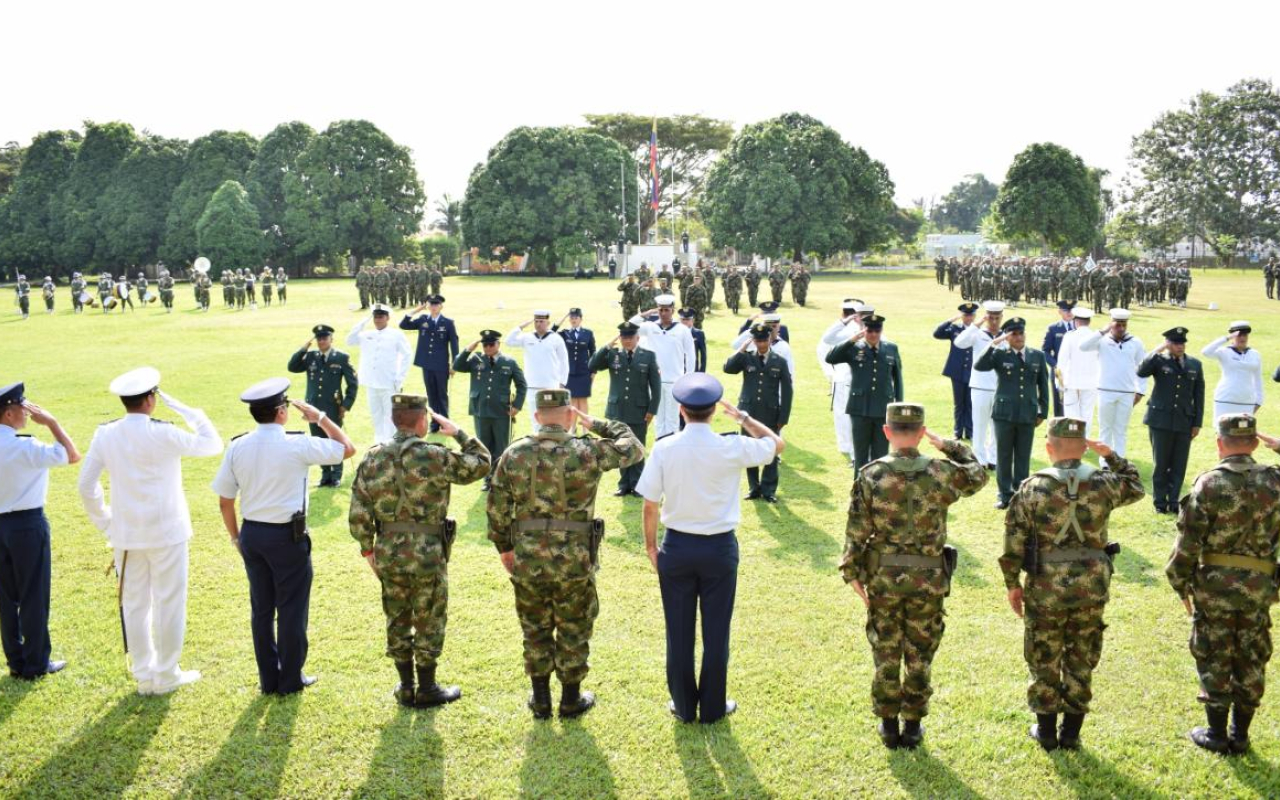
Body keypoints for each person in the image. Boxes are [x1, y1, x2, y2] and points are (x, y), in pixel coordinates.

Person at [486, 389, 643, 719]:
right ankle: (570, 699)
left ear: (536, 417)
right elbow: (634, 446)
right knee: (574, 625)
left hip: (528, 557)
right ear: (570, 415)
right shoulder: (587, 451)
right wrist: (597, 422)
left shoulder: (514, 454)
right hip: (575, 559)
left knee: (534, 626)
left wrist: (505, 549)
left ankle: (541, 698)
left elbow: (497, 510)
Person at [637, 373, 784, 723]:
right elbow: (776, 444)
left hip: (677, 546)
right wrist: (743, 418)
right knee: (717, 633)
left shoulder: (666, 447)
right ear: (713, 411)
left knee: (679, 632)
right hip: (719, 549)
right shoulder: (731, 445)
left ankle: (685, 707)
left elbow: (650, 504)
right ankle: (713, 708)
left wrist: (650, 547)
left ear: (681, 409)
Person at [842, 403, 988, 749]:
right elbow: (978, 473)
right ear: (922, 433)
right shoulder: (941, 471)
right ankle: (913, 725)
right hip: (928, 580)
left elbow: (856, 533)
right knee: (920, 653)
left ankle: (889, 725)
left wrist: (852, 574)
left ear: (887, 431)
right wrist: (950, 446)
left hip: (884, 578)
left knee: (886, 650)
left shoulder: (871, 474)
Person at [999, 418, 1143, 750]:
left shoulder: (1032, 487)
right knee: (1082, 655)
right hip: (1092, 585)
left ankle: (1046, 731)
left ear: (1049, 448)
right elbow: (1135, 485)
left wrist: (1012, 583)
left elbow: (1013, 542)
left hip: (1045, 586)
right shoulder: (1105, 483)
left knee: (1043, 654)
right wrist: (1112, 456)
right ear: (1084, 447)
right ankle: (1072, 734)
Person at [77, 367, 223, 695]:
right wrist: (190, 411)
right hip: (167, 532)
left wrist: (106, 521)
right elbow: (212, 444)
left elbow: (87, 486)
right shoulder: (163, 432)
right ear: (150, 400)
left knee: (135, 604)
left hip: (126, 535)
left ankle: (144, 675)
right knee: (169, 601)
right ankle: (166, 674)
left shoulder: (106, 433)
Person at [212, 378, 354, 695]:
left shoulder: (237, 445)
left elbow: (225, 500)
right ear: (281, 412)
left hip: (252, 534)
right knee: (291, 609)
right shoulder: (297, 444)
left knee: (262, 611)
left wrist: (237, 538)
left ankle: (269, 679)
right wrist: (320, 418)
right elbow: (348, 449)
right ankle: (290, 679)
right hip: (287, 538)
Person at [349, 394, 489, 707]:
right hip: (428, 552)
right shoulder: (435, 455)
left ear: (393, 420)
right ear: (423, 421)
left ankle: (406, 685)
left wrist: (367, 550)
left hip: (388, 551)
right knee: (429, 616)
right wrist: (460, 434)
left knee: (397, 616)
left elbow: (359, 511)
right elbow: (481, 464)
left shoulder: (372, 458)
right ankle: (427, 687)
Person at [1167, 413, 1280, 755]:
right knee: (1251, 652)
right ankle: (1240, 734)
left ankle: (1217, 734)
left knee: (1214, 652)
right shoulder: (1275, 481)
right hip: (1260, 585)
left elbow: (1187, 544)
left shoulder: (1209, 483)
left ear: (1220, 443)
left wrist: (1180, 582)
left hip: (1214, 586)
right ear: (1257, 443)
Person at [0, 383, 79, 680]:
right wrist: (52, 423)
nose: (27, 411)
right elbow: (72, 455)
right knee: (34, 594)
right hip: (26, 525)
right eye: (22, 407)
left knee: (7, 598)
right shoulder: (26, 446)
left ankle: (16, 662)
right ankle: (36, 663)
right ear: (9, 413)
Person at [975, 317, 1050, 509]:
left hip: (1028, 413)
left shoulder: (1037, 355)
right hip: (1004, 414)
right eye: (1014, 334)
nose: (1018, 337)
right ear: (1007, 337)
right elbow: (979, 365)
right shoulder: (1000, 354)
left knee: (1023, 456)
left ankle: (1021, 493)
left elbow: (1043, 385)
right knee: (1004, 455)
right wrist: (994, 344)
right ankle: (1005, 495)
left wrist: (1043, 412)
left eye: (1021, 333)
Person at [588, 322, 662, 497]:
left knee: (637, 446)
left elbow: (656, 388)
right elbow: (592, 365)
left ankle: (637, 485)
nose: (627, 341)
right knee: (620, 447)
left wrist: (652, 410)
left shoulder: (648, 356)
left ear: (637, 338)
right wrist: (606, 346)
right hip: (618, 410)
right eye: (623, 337)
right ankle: (623, 485)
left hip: (639, 410)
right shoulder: (613, 354)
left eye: (630, 337)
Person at [1139, 327, 1205, 514]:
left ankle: (1174, 501)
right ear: (1168, 344)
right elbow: (1141, 371)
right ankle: (1160, 502)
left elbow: (1198, 396)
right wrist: (1158, 349)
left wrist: (1197, 423)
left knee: (1179, 463)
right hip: (1160, 420)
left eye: (1182, 343)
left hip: (1184, 421)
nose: (1180, 346)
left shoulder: (1195, 364)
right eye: (1176, 343)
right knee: (1161, 463)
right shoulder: (1159, 361)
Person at [826, 315, 904, 473]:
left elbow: (898, 379)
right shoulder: (854, 348)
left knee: (881, 454)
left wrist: (898, 406)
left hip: (883, 409)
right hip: (859, 409)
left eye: (877, 330)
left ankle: (879, 489)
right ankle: (859, 489)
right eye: (870, 330)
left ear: (881, 331)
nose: (873, 334)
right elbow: (830, 358)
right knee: (860, 454)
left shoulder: (891, 348)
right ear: (864, 330)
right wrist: (851, 340)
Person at [725, 324, 793, 502]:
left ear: (769, 339)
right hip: (749, 412)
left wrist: (783, 417)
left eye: (764, 340)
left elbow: (787, 391)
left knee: (771, 452)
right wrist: (741, 350)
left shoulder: (779, 361)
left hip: (771, 413)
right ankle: (754, 487)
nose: (761, 344)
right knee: (749, 450)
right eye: (758, 340)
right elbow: (728, 368)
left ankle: (769, 489)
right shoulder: (746, 358)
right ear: (753, 341)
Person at [453, 329, 525, 490]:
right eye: (485, 345)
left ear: (498, 344)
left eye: (491, 344)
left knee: (501, 446)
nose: (488, 348)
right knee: (484, 446)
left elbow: (522, 385)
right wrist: (468, 350)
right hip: (481, 410)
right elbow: (457, 365)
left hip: (501, 411)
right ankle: (488, 479)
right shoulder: (475, 359)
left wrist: (517, 406)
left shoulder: (509, 362)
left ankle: (500, 479)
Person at [287, 325, 358, 487]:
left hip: (333, 406)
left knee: (335, 440)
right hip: (313, 406)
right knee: (318, 440)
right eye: (318, 339)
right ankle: (325, 475)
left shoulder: (341, 357)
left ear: (331, 339)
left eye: (324, 338)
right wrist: (304, 348)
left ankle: (336, 475)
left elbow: (352, 384)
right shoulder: (311, 356)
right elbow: (292, 367)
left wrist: (346, 405)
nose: (321, 341)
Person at [1078, 309, 1147, 457]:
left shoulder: (1135, 342)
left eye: (1124, 324)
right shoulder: (1102, 340)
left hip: (1127, 392)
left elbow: (1142, 368)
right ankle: (1105, 464)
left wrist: (1140, 390)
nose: (1121, 328)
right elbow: (1082, 347)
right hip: (1105, 391)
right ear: (1111, 324)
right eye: (1117, 324)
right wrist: (1101, 332)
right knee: (1105, 429)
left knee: (1120, 430)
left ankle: (1119, 462)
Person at [628, 295, 694, 439]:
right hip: (655, 380)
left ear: (673, 310)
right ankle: (660, 448)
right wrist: (644, 314)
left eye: (667, 310)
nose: (663, 313)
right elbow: (630, 326)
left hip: (675, 380)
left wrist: (688, 378)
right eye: (660, 310)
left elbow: (690, 355)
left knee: (672, 418)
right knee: (658, 418)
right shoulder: (650, 327)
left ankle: (672, 451)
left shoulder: (682, 330)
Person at [346, 304, 413, 444]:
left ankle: (390, 444)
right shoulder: (366, 334)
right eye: (375, 317)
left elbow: (407, 355)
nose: (378, 320)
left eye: (381, 317)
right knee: (376, 415)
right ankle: (378, 443)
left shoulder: (396, 335)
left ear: (387, 318)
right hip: (371, 381)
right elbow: (350, 340)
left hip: (389, 382)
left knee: (390, 416)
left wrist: (400, 378)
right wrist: (364, 320)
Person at [954, 301, 1004, 469]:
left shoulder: (1005, 335)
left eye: (997, 318)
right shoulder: (977, 334)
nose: (994, 321)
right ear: (986, 317)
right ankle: (980, 458)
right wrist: (976, 325)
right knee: (980, 425)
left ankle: (993, 459)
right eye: (991, 318)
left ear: (1002, 317)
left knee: (997, 426)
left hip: (999, 387)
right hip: (980, 386)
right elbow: (959, 342)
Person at [399, 296, 459, 432]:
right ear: (428, 306)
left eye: (436, 304)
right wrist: (416, 310)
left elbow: (454, 344)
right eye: (431, 304)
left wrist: (454, 364)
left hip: (441, 364)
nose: (433, 307)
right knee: (431, 395)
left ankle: (444, 423)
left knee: (442, 395)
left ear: (441, 306)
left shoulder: (448, 323)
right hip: (426, 364)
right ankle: (434, 423)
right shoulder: (423, 320)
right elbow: (403, 325)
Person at [505, 310, 570, 434]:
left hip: (550, 386)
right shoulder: (527, 337)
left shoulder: (556, 339)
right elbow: (509, 341)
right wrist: (521, 326)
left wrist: (562, 383)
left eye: (541, 321)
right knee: (535, 419)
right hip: (532, 386)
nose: (538, 324)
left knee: (552, 420)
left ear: (548, 322)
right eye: (536, 321)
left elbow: (564, 362)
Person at [820, 300, 861, 462]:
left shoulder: (876, 332)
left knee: (853, 417)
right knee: (843, 416)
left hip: (856, 382)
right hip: (842, 379)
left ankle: (852, 450)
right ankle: (847, 448)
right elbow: (826, 343)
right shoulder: (845, 332)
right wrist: (830, 375)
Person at [1201, 321, 1264, 421]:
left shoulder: (1255, 354)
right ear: (1233, 336)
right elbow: (1205, 352)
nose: (1242, 338)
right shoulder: (1224, 351)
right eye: (1239, 335)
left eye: (1245, 335)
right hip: (1225, 399)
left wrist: (1259, 400)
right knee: (1223, 433)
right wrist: (1226, 338)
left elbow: (1258, 378)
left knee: (1244, 433)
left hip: (1247, 400)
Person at [933, 302, 978, 441]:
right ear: (962, 316)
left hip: (973, 371)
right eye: (965, 315)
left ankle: (970, 432)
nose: (968, 318)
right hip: (957, 370)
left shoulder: (979, 330)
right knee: (959, 403)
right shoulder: (954, 329)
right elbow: (937, 333)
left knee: (970, 403)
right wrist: (951, 320)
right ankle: (958, 432)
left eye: (970, 315)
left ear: (974, 316)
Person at [1057, 307, 1100, 438]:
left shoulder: (1070, 336)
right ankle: (1084, 441)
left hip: (1071, 382)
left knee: (1072, 414)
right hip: (1091, 382)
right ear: (1089, 321)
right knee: (1087, 413)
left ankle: (1073, 439)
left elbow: (1061, 362)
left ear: (1076, 321)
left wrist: (1059, 383)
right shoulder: (1096, 337)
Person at [554, 308, 596, 426]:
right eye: (571, 318)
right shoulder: (564, 333)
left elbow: (593, 352)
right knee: (571, 401)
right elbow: (551, 331)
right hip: (569, 373)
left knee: (582, 400)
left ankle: (585, 428)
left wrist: (593, 371)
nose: (573, 320)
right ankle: (572, 428)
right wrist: (563, 316)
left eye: (576, 318)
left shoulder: (588, 333)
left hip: (584, 372)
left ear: (581, 319)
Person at [1041, 301, 1074, 417]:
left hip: (1076, 371)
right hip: (1058, 372)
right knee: (1059, 403)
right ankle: (1059, 431)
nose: (1069, 313)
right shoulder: (1053, 328)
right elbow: (1045, 351)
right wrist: (1056, 365)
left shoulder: (1079, 327)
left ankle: (1075, 431)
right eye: (1066, 310)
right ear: (1059, 312)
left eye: (1071, 310)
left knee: (1075, 402)